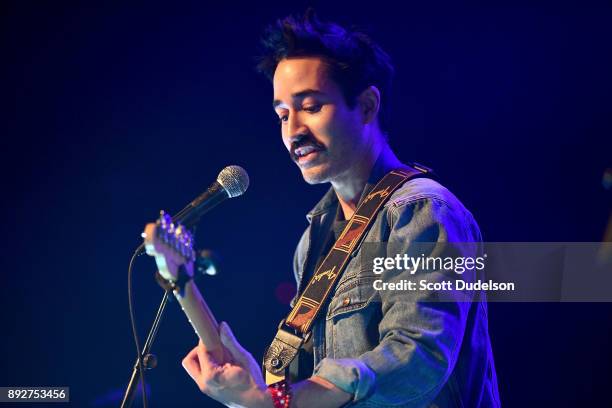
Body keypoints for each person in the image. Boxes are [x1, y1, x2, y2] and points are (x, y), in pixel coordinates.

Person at [182, 10, 500, 407]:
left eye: (311, 107)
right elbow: (304, 391)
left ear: (366, 106)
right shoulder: (313, 240)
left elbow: (418, 357)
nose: (293, 131)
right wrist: (253, 391)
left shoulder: (421, 211)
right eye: (283, 114)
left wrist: (280, 401)